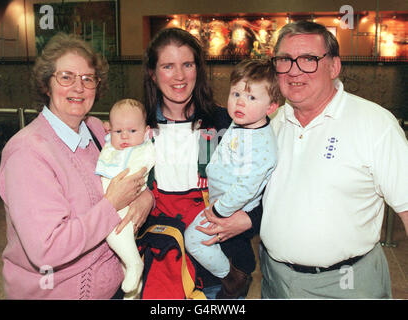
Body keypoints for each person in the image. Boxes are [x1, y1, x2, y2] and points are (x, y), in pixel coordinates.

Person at [0, 33, 154, 299]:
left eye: (87, 79)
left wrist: (145, 197)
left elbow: (130, 169)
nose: (78, 88)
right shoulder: (27, 153)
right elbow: (46, 250)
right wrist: (111, 205)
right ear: (46, 84)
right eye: (66, 77)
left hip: (115, 286)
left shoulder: (97, 130)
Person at [259, 20, 408, 299]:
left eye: (308, 60)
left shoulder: (375, 124)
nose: (294, 71)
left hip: (348, 284)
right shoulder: (271, 122)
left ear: (334, 67)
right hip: (275, 280)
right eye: (285, 60)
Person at [141, 27, 262, 299]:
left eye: (187, 64)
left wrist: (248, 220)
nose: (180, 76)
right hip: (160, 271)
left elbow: (264, 188)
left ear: (198, 69)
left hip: (220, 277)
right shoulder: (136, 129)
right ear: (152, 72)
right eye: (168, 66)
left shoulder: (226, 125)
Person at [185, 59, 280, 299]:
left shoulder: (260, 143)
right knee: (233, 247)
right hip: (222, 201)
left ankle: (231, 277)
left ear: (271, 107)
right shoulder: (243, 124)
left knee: (194, 239)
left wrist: (219, 211)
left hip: (231, 207)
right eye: (236, 93)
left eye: (251, 97)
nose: (240, 102)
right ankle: (238, 269)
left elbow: (247, 187)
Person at [95, 99, 155, 297]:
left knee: (115, 234)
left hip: (126, 206)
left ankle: (135, 264)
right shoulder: (110, 146)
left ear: (145, 131)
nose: (125, 137)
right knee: (121, 251)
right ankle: (133, 286)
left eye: (132, 131)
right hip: (110, 204)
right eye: (118, 132)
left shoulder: (144, 150)